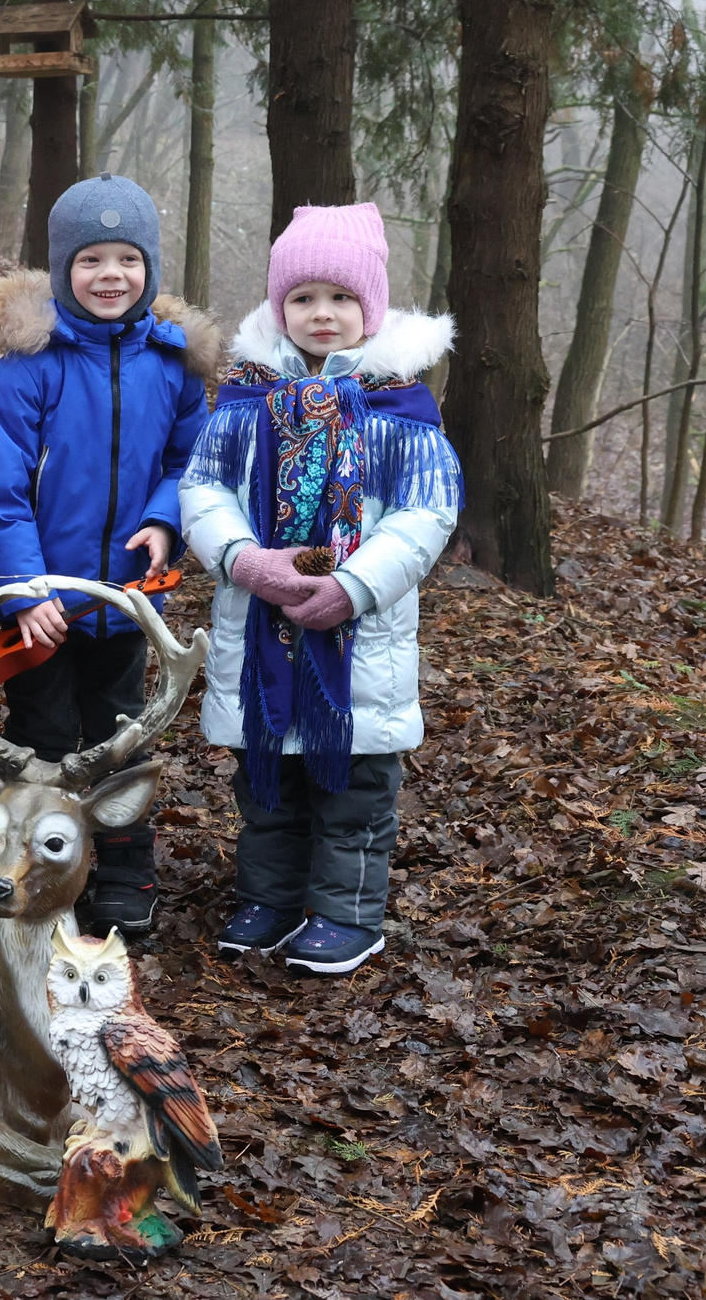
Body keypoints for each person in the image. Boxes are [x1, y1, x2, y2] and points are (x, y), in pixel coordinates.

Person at [180, 204, 459, 976]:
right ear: (280, 307)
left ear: (369, 306)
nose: (322, 313)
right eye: (303, 298)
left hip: (358, 641)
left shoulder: (399, 408)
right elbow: (204, 493)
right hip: (262, 626)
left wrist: (354, 585)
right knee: (268, 787)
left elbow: (425, 513)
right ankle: (269, 898)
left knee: (352, 791)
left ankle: (345, 912)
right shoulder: (245, 399)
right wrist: (245, 560)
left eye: (340, 297)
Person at [0, 175, 218, 939]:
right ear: (61, 269)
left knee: (119, 736)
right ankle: (42, 869)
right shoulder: (28, 367)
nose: (110, 275)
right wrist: (24, 589)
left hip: (126, 598)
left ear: (150, 268)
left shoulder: (173, 366)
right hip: (44, 607)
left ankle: (123, 866)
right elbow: (1, 490)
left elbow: (191, 460)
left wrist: (163, 521)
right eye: (91, 260)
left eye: (127, 259)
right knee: (44, 736)